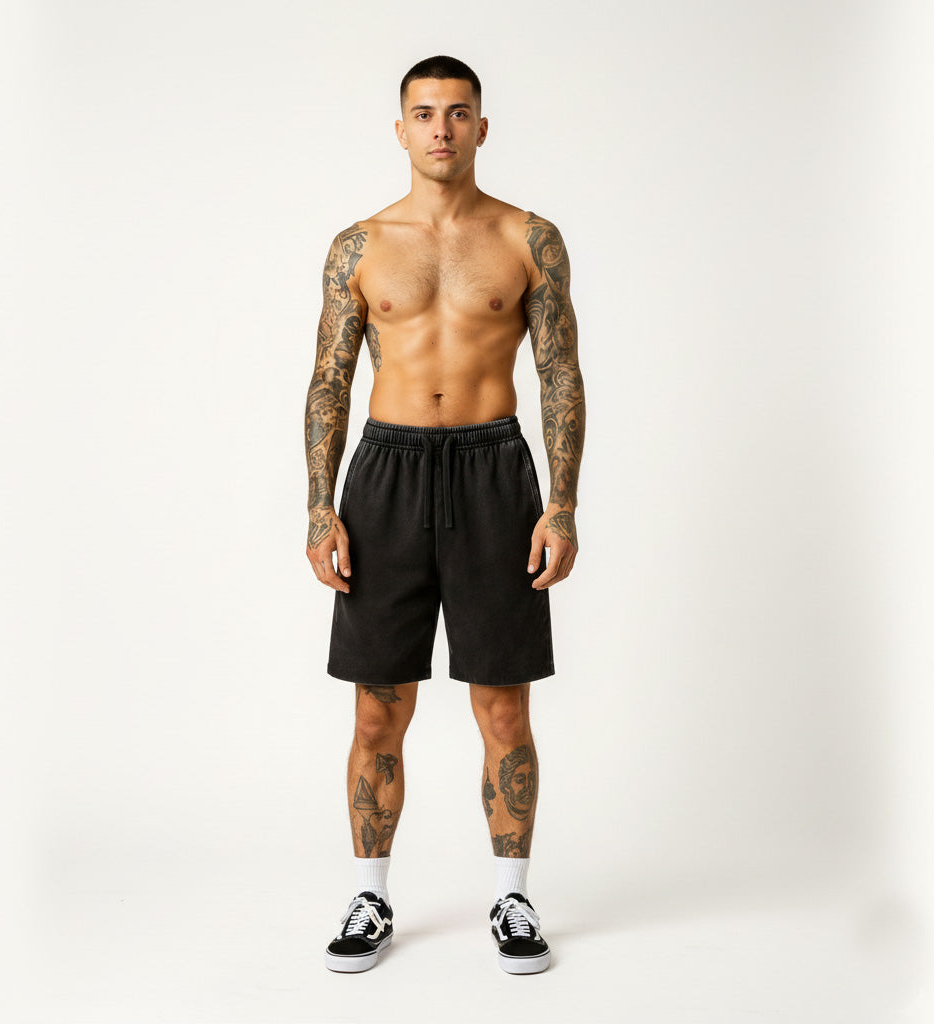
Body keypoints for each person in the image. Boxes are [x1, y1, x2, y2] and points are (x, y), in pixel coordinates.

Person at [304, 55, 585, 975]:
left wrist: (561, 504)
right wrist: (320, 507)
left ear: (481, 128)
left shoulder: (528, 238)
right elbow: (329, 379)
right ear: (400, 129)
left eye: (458, 113)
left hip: (494, 472)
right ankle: (371, 897)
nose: (441, 128)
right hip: (384, 476)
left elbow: (560, 373)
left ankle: (512, 897)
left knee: (503, 707)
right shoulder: (359, 246)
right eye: (424, 113)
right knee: (376, 711)